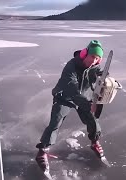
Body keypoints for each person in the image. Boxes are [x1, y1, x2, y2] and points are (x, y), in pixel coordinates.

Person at [35, 40, 106, 172]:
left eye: (97, 58)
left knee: (93, 120)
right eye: (92, 57)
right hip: (65, 96)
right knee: (55, 123)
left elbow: (100, 81)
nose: (94, 61)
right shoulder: (71, 66)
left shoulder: (95, 68)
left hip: (84, 97)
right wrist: (86, 103)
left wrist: (108, 83)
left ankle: (95, 142)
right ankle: (42, 151)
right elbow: (71, 88)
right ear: (85, 54)